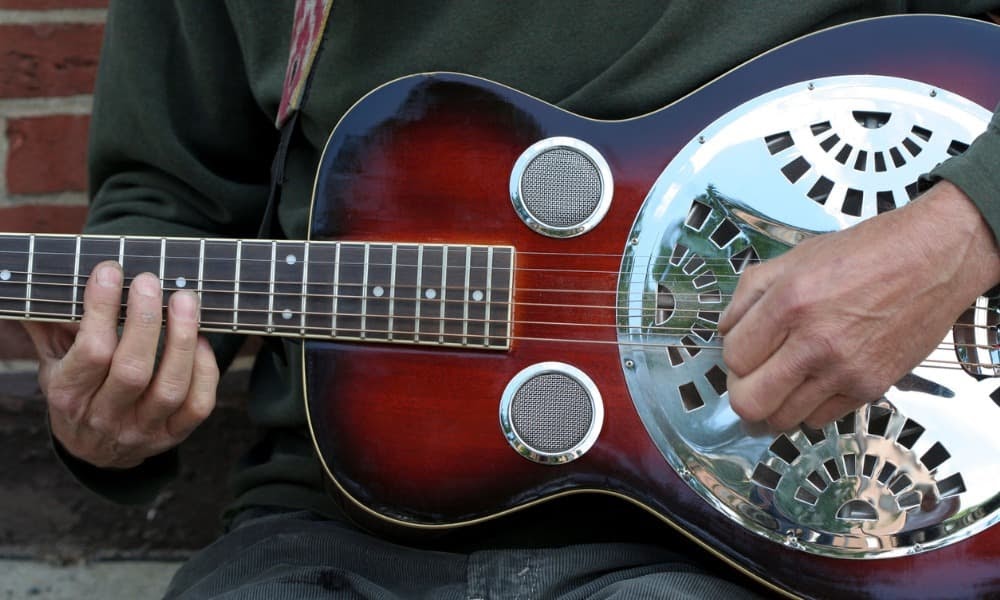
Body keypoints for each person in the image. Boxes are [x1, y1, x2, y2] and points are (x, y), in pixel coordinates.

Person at [22, 2, 1000, 598]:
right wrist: (116, 395)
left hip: (768, 548)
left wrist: (955, 235)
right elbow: (170, 201)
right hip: (335, 535)